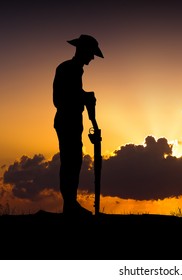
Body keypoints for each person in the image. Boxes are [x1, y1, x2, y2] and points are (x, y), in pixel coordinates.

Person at [53, 34, 104, 216]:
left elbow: (73, 93)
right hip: (67, 121)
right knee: (70, 161)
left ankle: (70, 204)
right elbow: (60, 99)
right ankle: (70, 205)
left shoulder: (73, 70)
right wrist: (84, 97)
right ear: (84, 51)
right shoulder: (70, 69)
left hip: (72, 121)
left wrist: (84, 96)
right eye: (91, 53)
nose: (92, 58)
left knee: (73, 161)